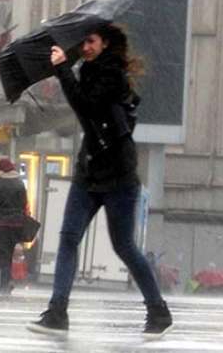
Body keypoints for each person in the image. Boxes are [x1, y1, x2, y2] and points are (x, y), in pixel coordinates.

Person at [27, 24, 172, 339]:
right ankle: (57, 311)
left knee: (124, 247)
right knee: (68, 237)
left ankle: (158, 311)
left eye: (91, 41)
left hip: (118, 176)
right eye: (84, 42)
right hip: (89, 170)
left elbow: (87, 107)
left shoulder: (111, 76)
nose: (87, 47)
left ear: (105, 44)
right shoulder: (88, 70)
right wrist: (66, 70)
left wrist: (63, 69)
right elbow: (85, 112)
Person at [0, 158, 28, 295]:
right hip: (16, 224)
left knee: (4, 255)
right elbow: (24, 204)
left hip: (1, 224)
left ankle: (4, 286)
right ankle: (7, 281)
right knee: (9, 254)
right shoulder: (20, 184)